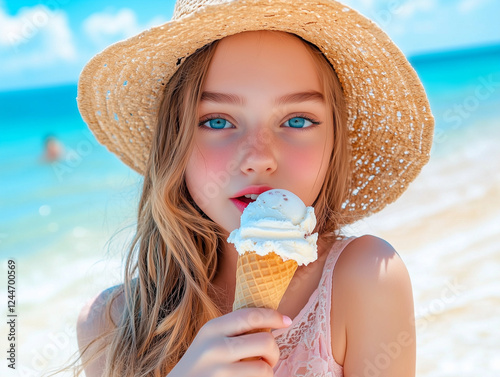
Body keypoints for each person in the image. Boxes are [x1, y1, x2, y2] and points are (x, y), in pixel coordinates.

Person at [75, 0, 434, 376]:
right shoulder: (110, 323)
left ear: (335, 143)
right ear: (174, 144)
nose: (259, 157)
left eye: (297, 120)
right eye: (217, 121)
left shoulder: (365, 279)